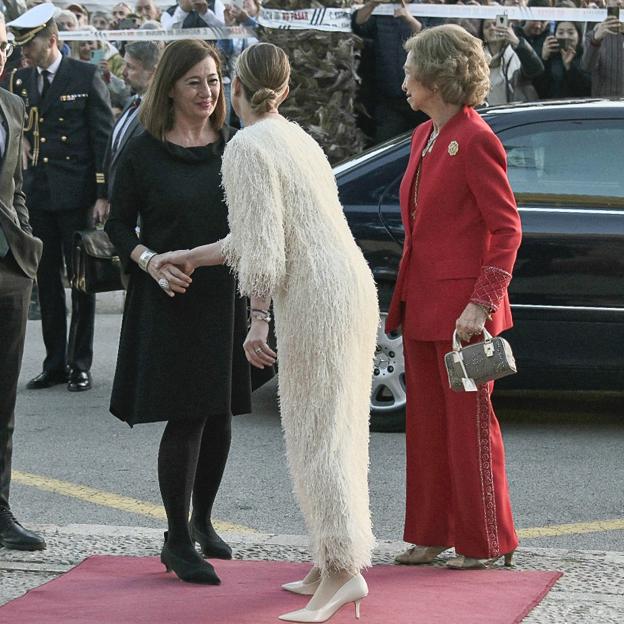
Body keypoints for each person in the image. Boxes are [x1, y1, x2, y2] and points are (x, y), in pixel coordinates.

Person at [153, 42, 378, 622]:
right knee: (342, 429)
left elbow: (259, 255)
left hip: (315, 297)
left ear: (234, 86)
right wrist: (195, 255)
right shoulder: (297, 136)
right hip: (350, 284)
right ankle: (330, 559)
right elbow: (258, 238)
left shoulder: (246, 147)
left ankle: (343, 573)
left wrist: (257, 321)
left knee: (316, 436)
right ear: (285, 87)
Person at [105, 40, 252, 585]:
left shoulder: (233, 147)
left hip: (222, 294)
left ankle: (203, 521)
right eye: (195, 82)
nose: (207, 92)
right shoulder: (142, 151)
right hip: (168, 296)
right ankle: (174, 537)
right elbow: (118, 226)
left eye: (214, 81)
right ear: (169, 87)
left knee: (219, 411)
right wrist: (149, 262)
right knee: (187, 414)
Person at [386, 25, 522, 570]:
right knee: (424, 430)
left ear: (436, 77)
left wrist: (482, 303)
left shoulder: (476, 136)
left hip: (465, 318)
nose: (403, 82)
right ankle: (430, 534)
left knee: (469, 431)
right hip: (422, 306)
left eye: (409, 70)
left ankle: (485, 541)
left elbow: (507, 229)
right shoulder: (425, 136)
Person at [5, 3, 113, 392]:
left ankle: (79, 362)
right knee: (46, 280)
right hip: (39, 194)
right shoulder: (20, 81)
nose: (24, 53)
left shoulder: (84, 75)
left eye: (30, 45)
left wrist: (103, 193)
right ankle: (54, 362)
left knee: (81, 281)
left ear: (52, 40)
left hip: (77, 194)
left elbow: (102, 138)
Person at [0, 12, 46, 553]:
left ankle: (1, 511)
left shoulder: (12, 106)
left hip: (10, 269)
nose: (4, 52)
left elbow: (15, 187)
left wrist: (27, 246)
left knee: (2, 402)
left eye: (6, 44)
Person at [352, 0, 427, 144]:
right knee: (384, 148)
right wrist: (373, 3)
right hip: (389, 102)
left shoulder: (428, 9)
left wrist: (409, 19)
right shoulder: (382, 12)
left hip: (423, 100)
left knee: (425, 146)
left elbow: (433, 40)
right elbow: (358, 24)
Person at [101, 40, 160, 215]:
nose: (124, 73)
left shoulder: (158, 111)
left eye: (131, 67)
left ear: (153, 73)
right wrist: (104, 196)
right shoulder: (133, 101)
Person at [480, 14, 544, 104]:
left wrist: (515, 41)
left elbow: (536, 69)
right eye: (487, 26)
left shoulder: (517, 52)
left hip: (514, 112)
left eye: (495, 24)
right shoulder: (478, 57)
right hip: (489, 112)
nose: (492, 28)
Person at [536, 21, 591, 99]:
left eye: (571, 33)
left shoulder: (586, 56)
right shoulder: (551, 56)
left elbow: (587, 88)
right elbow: (539, 88)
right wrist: (544, 59)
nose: (565, 36)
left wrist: (569, 67)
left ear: (579, 35)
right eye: (561, 33)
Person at [581, 8, 624, 96]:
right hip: (603, 103)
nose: (619, 1)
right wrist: (596, 40)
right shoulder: (593, 35)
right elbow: (587, 67)